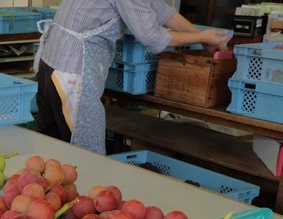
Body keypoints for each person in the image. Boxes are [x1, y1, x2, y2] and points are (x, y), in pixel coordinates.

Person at [34, 0, 232, 155]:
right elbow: (153, 38)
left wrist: (202, 37)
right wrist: (203, 37)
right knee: (85, 156)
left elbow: (162, 11)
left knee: (52, 150)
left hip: (51, 62)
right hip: (71, 71)